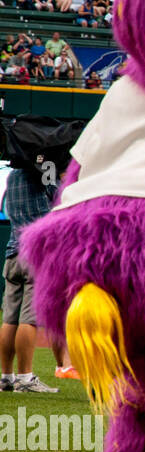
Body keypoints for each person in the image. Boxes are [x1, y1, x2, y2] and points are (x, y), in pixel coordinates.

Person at [1, 159, 59, 393]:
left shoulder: (12, 177)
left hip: (12, 252)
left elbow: (5, 205)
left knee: (9, 319)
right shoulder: (45, 172)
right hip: (36, 253)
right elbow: (60, 202)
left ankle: (6, 376)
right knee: (29, 319)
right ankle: (25, 379)